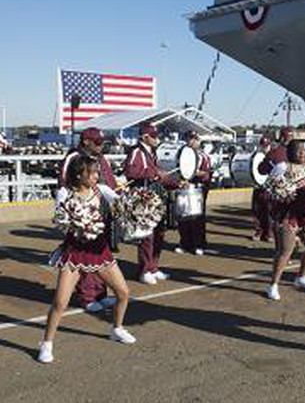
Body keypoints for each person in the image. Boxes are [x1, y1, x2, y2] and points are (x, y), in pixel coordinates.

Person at [38, 156, 135, 363]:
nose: (96, 176)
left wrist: (132, 201)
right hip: (74, 252)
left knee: (123, 293)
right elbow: (59, 219)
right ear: (79, 174)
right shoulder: (66, 193)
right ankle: (47, 343)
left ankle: (117, 328)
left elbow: (122, 203)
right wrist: (76, 222)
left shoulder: (101, 190)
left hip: (99, 250)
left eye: (97, 172)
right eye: (91, 173)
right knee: (60, 302)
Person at [56, 127, 117, 313]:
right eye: (97, 142)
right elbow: (64, 185)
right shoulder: (73, 157)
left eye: (102, 142)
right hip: (82, 212)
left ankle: (100, 293)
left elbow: (107, 180)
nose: (101, 145)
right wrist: (73, 211)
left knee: (99, 251)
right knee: (84, 253)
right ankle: (87, 296)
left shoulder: (99, 157)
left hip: (100, 206)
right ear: (86, 142)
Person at [266, 140, 305, 301]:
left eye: (303, 151)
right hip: (288, 215)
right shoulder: (282, 167)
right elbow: (270, 187)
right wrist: (282, 193)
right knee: (285, 252)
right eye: (298, 151)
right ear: (290, 153)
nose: (302, 153)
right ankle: (273, 285)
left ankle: (301, 277)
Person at [123, 124, 176, 285]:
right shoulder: (137, 151)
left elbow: (156, 175)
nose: (156, 138)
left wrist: (174, 182)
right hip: (143, 199)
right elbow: (130, 172)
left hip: (155, 197)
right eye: (154, 136)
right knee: (147, 235)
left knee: (159, 233)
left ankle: (153, 266)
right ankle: (144, 270)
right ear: (145, 137)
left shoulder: (151, 152)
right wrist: (155, 173)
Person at [175, 131, 213, 255]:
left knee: (197, 218)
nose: (191, 141)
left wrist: (193, 173)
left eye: (194, 139)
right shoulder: (181, 155)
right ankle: (185, 243)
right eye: (189, 139)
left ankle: (199, 244)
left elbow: (207, 174)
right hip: (184, 188)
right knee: (183, 217)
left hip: (197, 188)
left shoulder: (203, 156)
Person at [251, 136, 273, 241]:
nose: (264, 148)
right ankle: (258, 231)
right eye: (262, 146)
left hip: (269, 188)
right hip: (258, 187)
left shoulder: (273, 157)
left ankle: (269, 233)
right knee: (257, 211)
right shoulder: (256, 156)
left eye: (266, 146)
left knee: (269, 211)